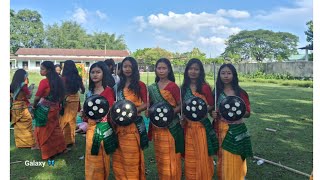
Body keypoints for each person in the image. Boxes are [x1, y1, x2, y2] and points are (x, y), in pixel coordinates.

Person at [211, 63, 253, 180]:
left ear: (234, 75)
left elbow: (248, 113)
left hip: (236, 130)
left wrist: (238, 112)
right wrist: (212, 113)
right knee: (223, 157)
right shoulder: (216, 92)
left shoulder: (240, 93)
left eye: (229, 73)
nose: (226, 76)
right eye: (223, 73)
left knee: (235, 156)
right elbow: (212, 110)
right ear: (219, 75)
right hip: (220, 129)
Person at [181, 58, 219, 179]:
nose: (193, 71)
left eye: (196, 69)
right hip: (188, 127)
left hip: (202, 126)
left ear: (200, 71)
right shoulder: (184, 88)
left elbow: (212, 105)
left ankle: (204, 175)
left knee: (202, 152)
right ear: (187, 71)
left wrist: (201, 111)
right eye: (191, 69)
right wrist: (183, 115)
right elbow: (182, 106)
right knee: (191, 154)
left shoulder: (205, 87)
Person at [147, 58, 184, 179]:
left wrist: (171, 113)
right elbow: (151, 106)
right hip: (158, 127)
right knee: (161, 156)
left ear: (169, 70)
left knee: (171, 156)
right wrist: (149, 111)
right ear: (155, 70)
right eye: (159, 68)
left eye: (164, 68)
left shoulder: (173, 86)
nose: (161, 71)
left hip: (171, 126)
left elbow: (181, 105)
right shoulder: (152, 88)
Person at [112, 57, 148, 180]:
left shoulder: (140, 85)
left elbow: (146, 103)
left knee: (131, 156)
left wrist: (132, 112)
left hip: (133, 125)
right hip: (119, 126)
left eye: (130, 66)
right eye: (125, 66)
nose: (127, 69)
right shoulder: (117, 86)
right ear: (121, 68)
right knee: (119, 155)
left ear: (134, 68)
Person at [84, 61, 117, 180]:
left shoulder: (109, 91)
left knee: (103, 156)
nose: (95, 75)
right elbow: (86, 114)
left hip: (104, 128)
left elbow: (112, 111)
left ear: (104, 73)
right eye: (92, 72)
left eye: (98, 72)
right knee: (91, 155)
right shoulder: (89, 93)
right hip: (91, 128)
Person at [33, 61, 67, 160]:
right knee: (55, 129)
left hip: (45, 110)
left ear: (48, 70)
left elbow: (37, 98)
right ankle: (61, 149)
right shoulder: (59, 80)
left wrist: (34, 106)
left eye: (42, 69)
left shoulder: (44, 82)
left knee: (44, 131)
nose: (40, 71)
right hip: (55, 108)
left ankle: (48, 153)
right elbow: (62, 96)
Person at [59, 60, 85, 148]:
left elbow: (61, 91)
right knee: (72, 120)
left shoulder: (63, 78)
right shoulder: (78, 77)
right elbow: (83, 90)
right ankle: (71, 140)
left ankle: (64, 140)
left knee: (64, 120)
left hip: (67, 100)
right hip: (76, 100)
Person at [10, 69, 36, 148]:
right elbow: (29, 96)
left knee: (18, 125)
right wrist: (31, 88)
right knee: (28, 122)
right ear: (23, 76)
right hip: (22, 107)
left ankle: (20, 144)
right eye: (26, 76)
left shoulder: (12, 85)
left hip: (15, 107)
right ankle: (29, 143)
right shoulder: (23, 85)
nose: (26, 77)